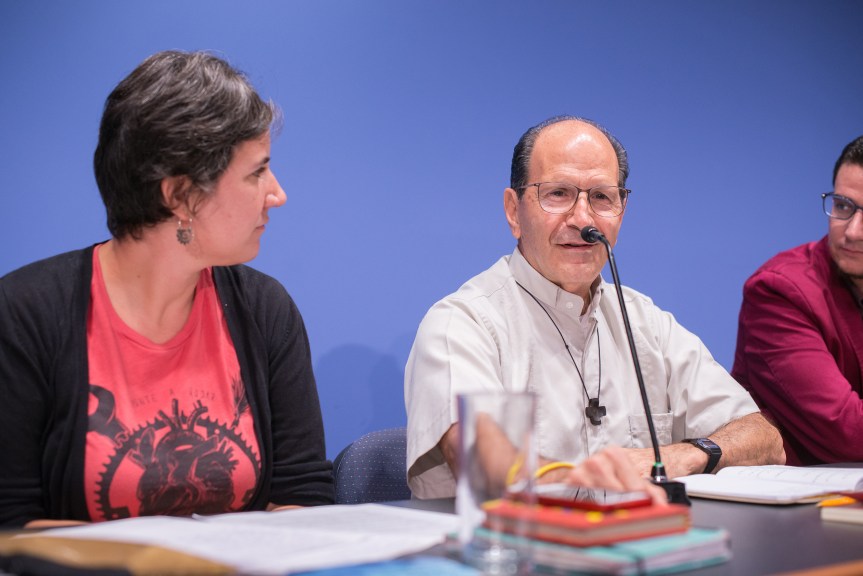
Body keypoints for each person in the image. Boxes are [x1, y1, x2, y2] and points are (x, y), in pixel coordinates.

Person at [0, 51, 333, 528]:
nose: (277, 194)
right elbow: (10, 522)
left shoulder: (265, 309)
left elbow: (305, 496)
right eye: (257, 172)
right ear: (179, 196)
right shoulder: (25, 313)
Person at [405, 115, 785, 499]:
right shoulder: (462, 324)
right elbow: (482, 462)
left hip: (637, 550)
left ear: (622, 210)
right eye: (558, 193)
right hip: (511, 552)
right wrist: (595, 477)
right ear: (513, 211)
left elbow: (764, 438)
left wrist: (688, 454)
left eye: (602, 197)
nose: (584, 219)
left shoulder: (646, 323)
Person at [732, 136, 863, 466]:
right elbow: (848, 432)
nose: (852, 232)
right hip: (796, 507)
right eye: (844, 206)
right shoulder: (779, 291)